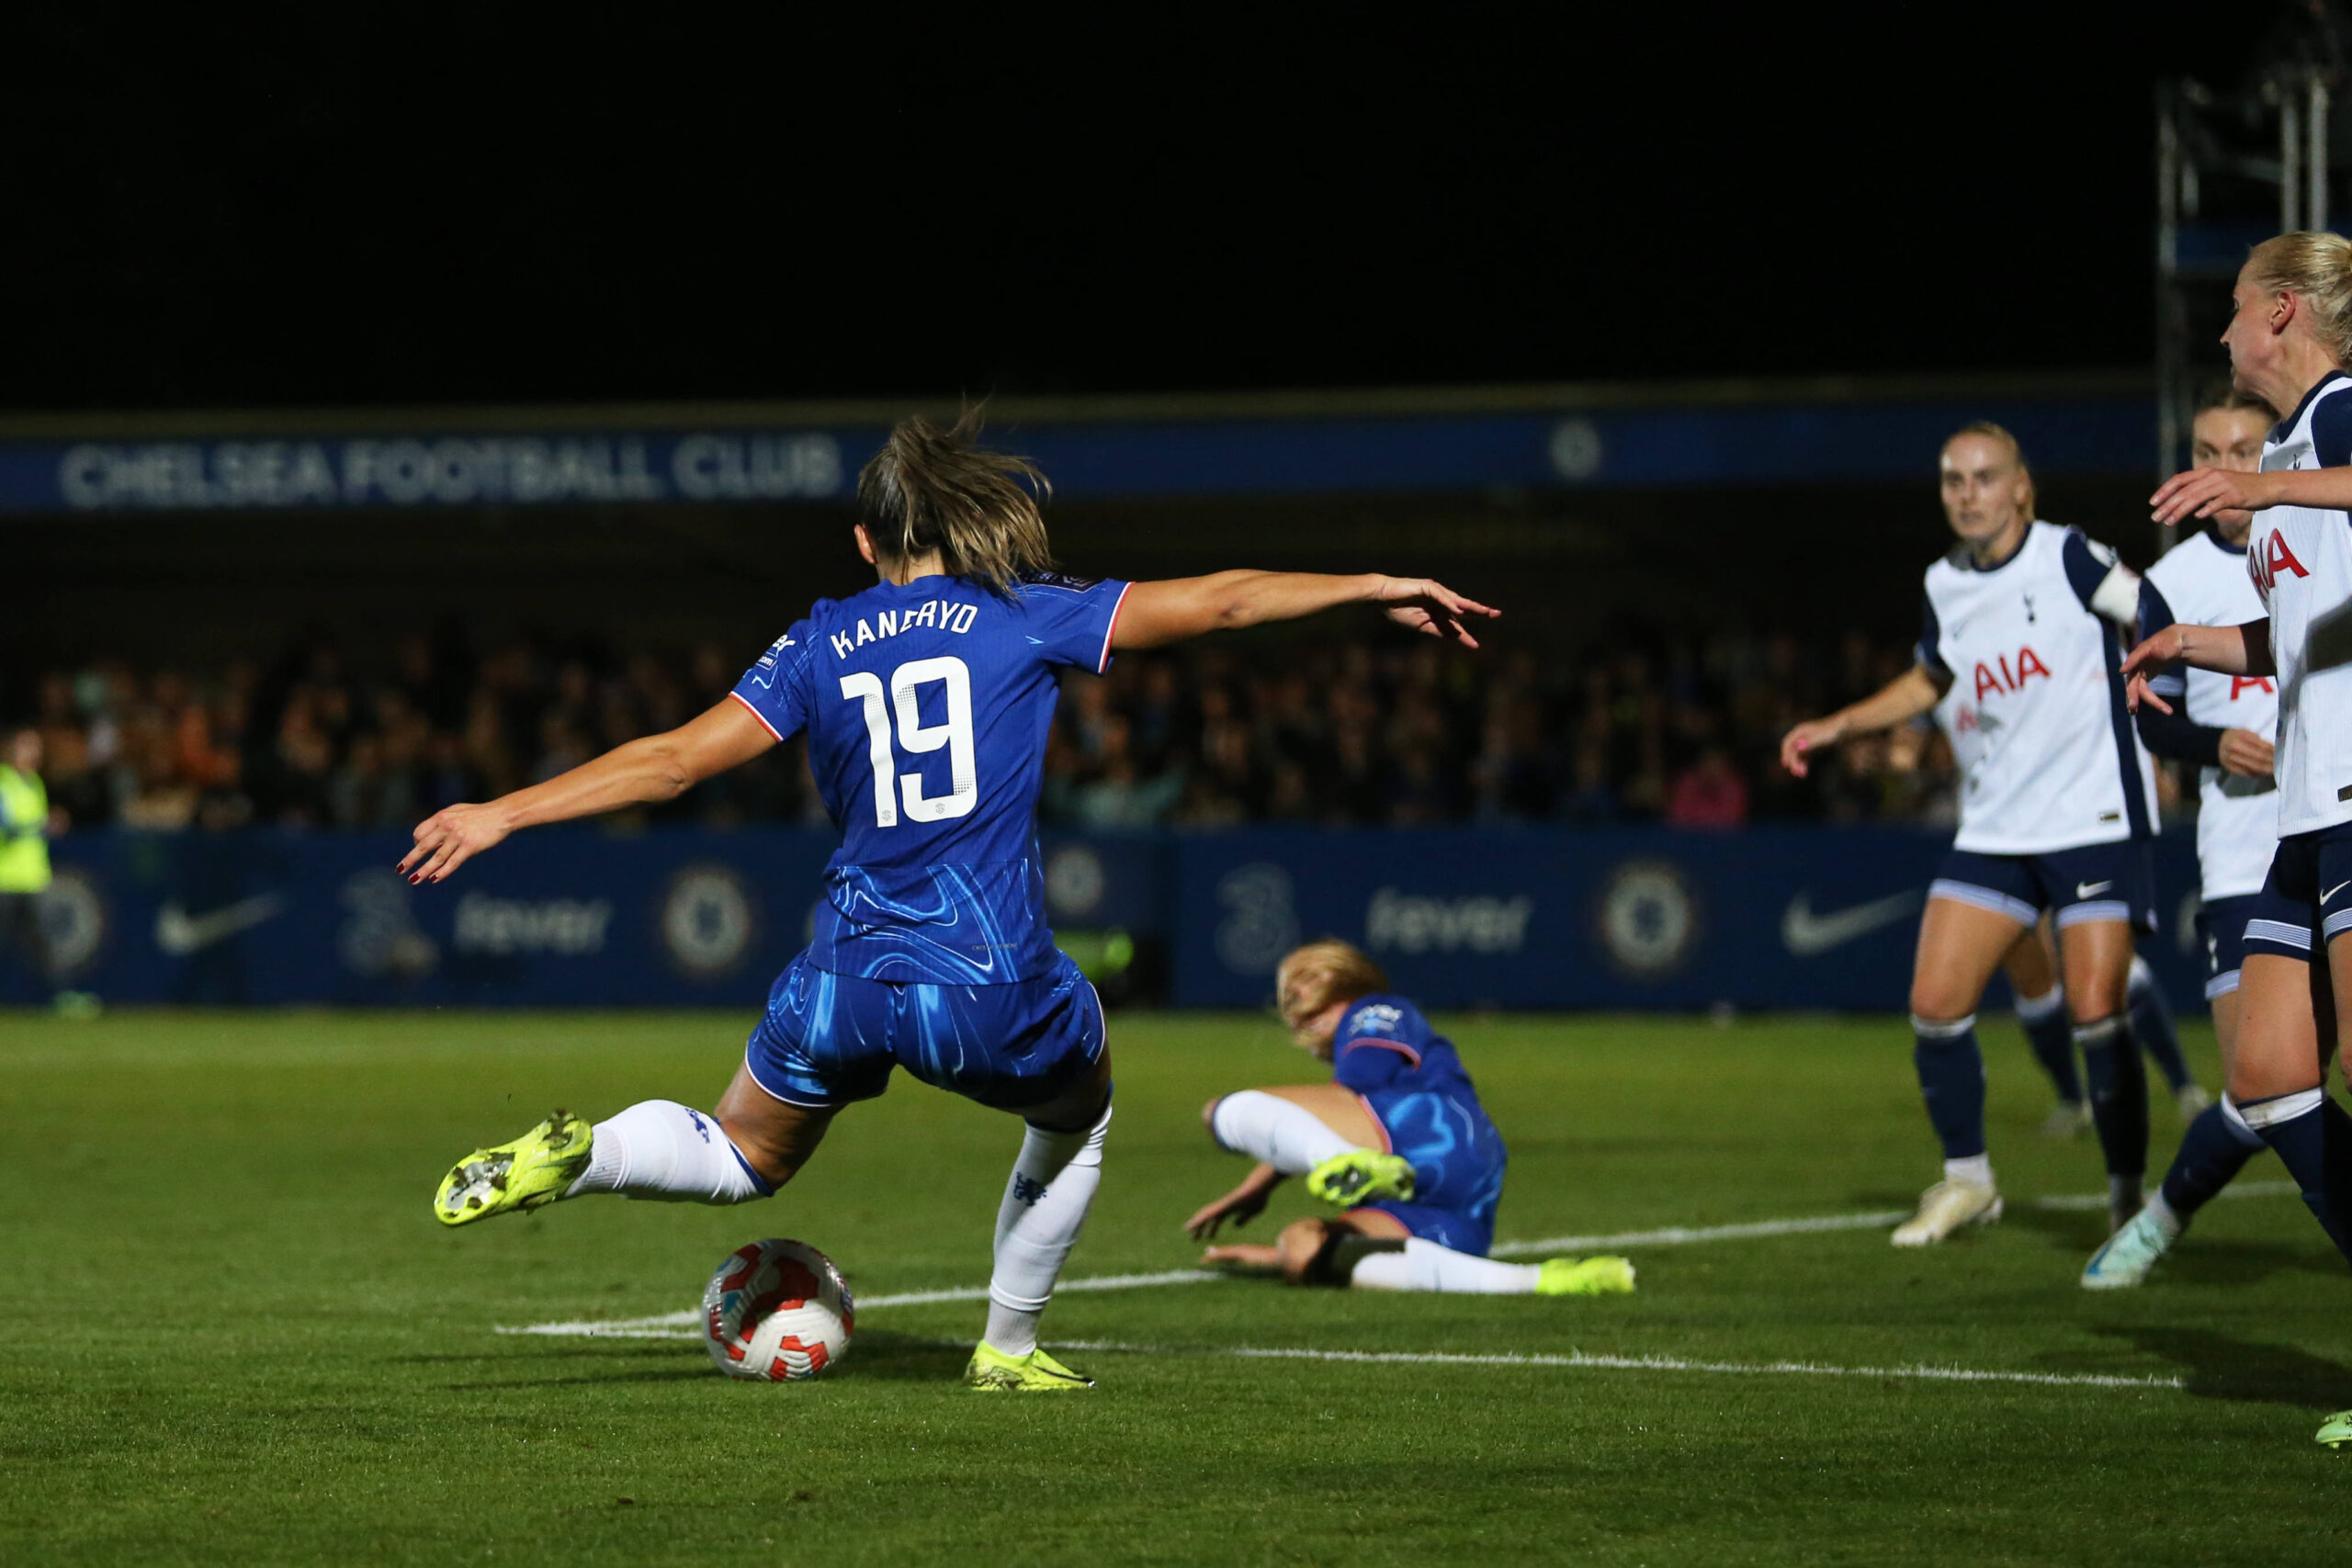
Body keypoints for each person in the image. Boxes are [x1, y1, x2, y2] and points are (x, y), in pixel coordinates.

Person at [412, 412, 1498, 1392]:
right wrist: (1365, 586)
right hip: (985, 979)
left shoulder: (818, 638)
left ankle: (586, 1151)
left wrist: (500, 812)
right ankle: (1008, 1350)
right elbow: (1222, 603)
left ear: (863, 542)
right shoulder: (1023, 615)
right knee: (1079, 1116)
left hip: (840, 973)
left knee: (745, 1153)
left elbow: (673, 762)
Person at [1780, 423, 2158, 1246]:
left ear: (2023, 486)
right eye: (1953, 479)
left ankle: (2129, 1195)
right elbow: (1930, 676)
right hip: (1996, 826)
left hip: (2092, 816)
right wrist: (1836, 725)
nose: (1967, 493)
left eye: (1985, 477)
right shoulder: (1944, 582)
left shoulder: (2070, 556)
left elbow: (2154, 612)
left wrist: (2166, 693)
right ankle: (1968, 1183)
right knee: (1935, 1005)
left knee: (2097, 1008)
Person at [2132, 233, 2352, 1445]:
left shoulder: (2339, 412)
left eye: (2231, 311)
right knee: (2269, 1075)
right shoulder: (2294, 450)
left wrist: (2265, 487)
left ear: (2280, 312)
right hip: (2304, 815)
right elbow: (2295, 631)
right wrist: (2196, 646)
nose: (2219, 335)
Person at [2084, 384, 2279, 1288]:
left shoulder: (2317, 542)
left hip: (2332, 823)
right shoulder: (2172, 581)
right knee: (2261, 1079)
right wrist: (2213, 743)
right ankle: (2161, 1218)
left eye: (2243, 449)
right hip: (2241, 849)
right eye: (2207, 451)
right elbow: (2151, 717)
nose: (2224, 468)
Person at [1183, 939, 1634, 1296]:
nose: (1295, 995)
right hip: (1456, 1205)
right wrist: (1277, 1258)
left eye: (1307, 978)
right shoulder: (1380, 1028)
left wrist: (1262, 1180)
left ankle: (1342, 1161)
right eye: (1288, 990)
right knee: (1304, 1246)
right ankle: (1539, 1281)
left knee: (1222, 1111)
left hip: (1431, 1134)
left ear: (1344, 977)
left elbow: (1357, 1090)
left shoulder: (1374, 1010)